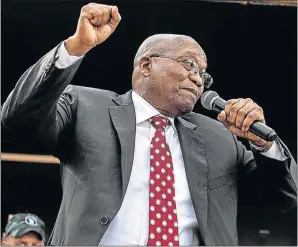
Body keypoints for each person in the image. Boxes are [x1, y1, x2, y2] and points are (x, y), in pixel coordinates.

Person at [1, 3, 296, 246]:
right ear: (146, 65)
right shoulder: (85, 107)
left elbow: (285, 196)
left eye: (204, 75)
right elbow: (17, 120)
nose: (198, 79)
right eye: (189, 64)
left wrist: (263, 143)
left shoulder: (219, 138)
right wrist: (75, 48)